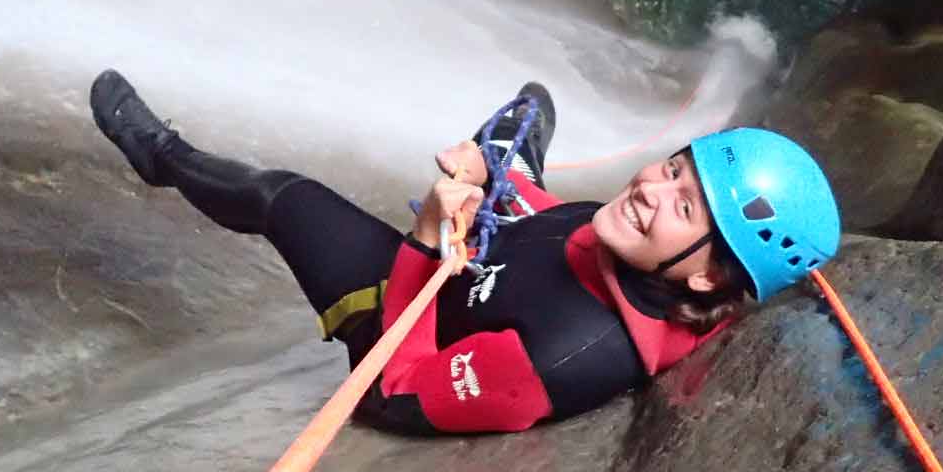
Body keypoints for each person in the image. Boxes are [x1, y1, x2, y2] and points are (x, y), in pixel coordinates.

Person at [89, 69, 839, 435]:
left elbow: (389, 395)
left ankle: (163, 156)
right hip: (495, 259)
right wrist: (502, 184)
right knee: (521, 121)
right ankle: (516, 151)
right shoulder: (640, 257)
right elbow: (555, 235)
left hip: (402, 319)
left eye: (684, 205)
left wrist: (424, 243)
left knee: (280, 196)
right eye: (674, 167)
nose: (650, 186)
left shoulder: (566, 356)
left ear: (708, 272)